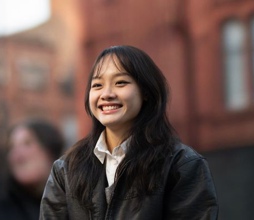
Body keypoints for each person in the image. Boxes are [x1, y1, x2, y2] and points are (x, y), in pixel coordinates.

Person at [40, 45, 218, 219]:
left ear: (146, 92)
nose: (107, 94)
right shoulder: (66, 169)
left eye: (121, 83)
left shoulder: (181, 165)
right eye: (97, 85)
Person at [0, 119, 64, 220]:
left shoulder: (75, 203)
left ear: (50, 152)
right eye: (11, 147)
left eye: (27, 143)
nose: (17, 154)